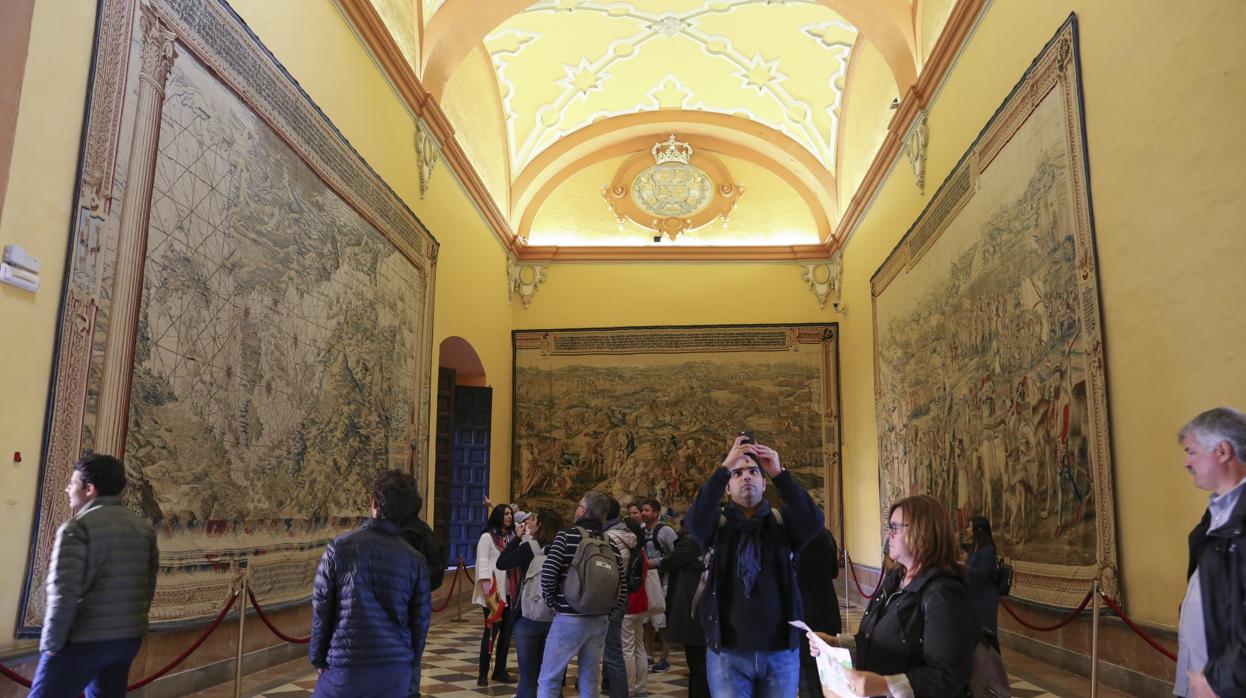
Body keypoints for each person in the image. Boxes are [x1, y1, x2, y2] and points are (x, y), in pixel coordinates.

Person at [687, 434, 824, 697]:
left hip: (780, 651)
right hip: (728, 652)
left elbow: (813, 520)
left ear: (764, 483)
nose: (746, 477)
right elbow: (695, 519)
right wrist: (724, 467)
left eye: (753, 472)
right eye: (737, 474)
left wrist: (778, 473)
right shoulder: (716, 524)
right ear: (727, 488)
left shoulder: (781, 522)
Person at [809, 495, 979, 698]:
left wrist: (885, 685)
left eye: (896, 527)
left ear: (923, 531)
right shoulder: (896, 578)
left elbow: (948, 675)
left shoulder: (943, 593)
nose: (889, 533)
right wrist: (837, 643)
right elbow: (875, 639)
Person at [29, 454, 159, 698]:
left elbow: (63, 593)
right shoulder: (142, 528)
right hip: (126, 639)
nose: (68, 489)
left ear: (90, 489)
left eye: (73, 483)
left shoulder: (77, 528)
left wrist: (52, 643)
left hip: (85, 639)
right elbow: (148, 585)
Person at [309, 469, 431, 697]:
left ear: (374, 503)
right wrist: (409, 665)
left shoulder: (339, 548)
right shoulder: (415, 560)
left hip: (347, 665)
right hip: (395, 669)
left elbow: (321, 608)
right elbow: (420, 623)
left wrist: (318, 657)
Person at [1175, 408, 1246, 698]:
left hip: (1226, 685)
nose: (1186, 462)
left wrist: (1221, 681)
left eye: (1192, 452)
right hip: (1205, 677)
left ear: (1222, 451)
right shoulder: (1216, 513)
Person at [537, 490, 627, 697]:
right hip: (600, 620)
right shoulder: (610, 543)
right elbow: (621, 584)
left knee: (550, 678)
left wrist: (552, 602)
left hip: (569, 618)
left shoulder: (566, 536)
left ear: (583, 510)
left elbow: (549, 572)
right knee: (589, 678)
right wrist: (609, 609)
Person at [497, 508, 566, 698]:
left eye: (533, 519)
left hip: (529, 617)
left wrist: (516, 539)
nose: (528, 523)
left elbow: (502, 562)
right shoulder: (566, 549)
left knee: (528, 677)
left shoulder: (531, 548)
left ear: (541, 525)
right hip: (559, 620)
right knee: (553, 677)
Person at [659, 518, 709, 698]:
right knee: (701, 663)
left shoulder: (690, 541)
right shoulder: (711, 540)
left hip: (692, 606)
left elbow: (667, 563)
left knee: (698, 663)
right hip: (704, 607)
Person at [474, 503, 519, 686]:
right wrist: (487, 593)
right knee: (491, 633)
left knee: (506, 634)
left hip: (510, 592)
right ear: (499, 516)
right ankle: (483, 673)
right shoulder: (487, 537)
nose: (509, 516)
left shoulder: (512, 537)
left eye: (511, 514)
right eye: (506, 514)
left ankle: (500, 671)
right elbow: (482, 563)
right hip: (493, 593)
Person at [795, 528, 841, 698]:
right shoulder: (826, 534)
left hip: (803, 616)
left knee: (808, 676)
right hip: (829, 609)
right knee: (831, 678)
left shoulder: (791, 535)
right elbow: (834, 572)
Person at [601, 498, 637, 698]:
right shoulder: (625, 533)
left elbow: (608, 570)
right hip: (620, 594)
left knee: (613, 651)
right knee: (613, 649)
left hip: (612, 596)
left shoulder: (610, 537)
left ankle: (619, 692)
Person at [639, 498, 677, 673]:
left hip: (663, 580)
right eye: (642, 510)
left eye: (647, 510)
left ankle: (665, 657)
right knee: (646, 621)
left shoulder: (666, 531)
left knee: (661, 622)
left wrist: (655, 562)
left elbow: (677, 555)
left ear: (656, 512)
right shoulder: (640, 531)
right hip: (646, 581)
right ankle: (648, 655)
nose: (644, 514)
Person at [619, 515, 651, 696]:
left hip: (628, 605)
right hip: (641, 603)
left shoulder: (626, 552)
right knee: (640, 647)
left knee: (627, 650)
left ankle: (629, 690)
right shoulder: (642, 552)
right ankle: (642, 687)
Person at [965, 515, 1001, 650]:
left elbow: (983, 573)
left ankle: (992, 664)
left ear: (978, 530)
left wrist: (965, 568)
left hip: (985, 599)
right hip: (975, 596)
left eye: (970, 527)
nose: (967, 530)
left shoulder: (987, 551)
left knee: (987, 635)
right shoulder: (975, 549)